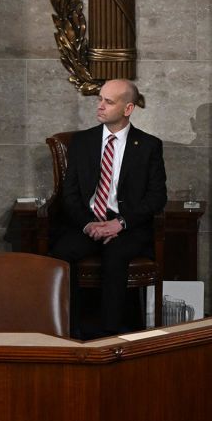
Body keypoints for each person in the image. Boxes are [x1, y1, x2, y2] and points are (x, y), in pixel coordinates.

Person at [50, 78, 167, 338]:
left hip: (127, 225)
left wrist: (120, 223)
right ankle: (67, 329)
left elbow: (157, 197)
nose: (100, 106)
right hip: (87, 222)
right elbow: (69, 194)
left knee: (115, 254)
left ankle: (110, 335)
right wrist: (88, 224)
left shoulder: (148, 146)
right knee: (61, 252)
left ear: (128, 109)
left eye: (108, 101)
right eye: (100, 99)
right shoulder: (82, 142)